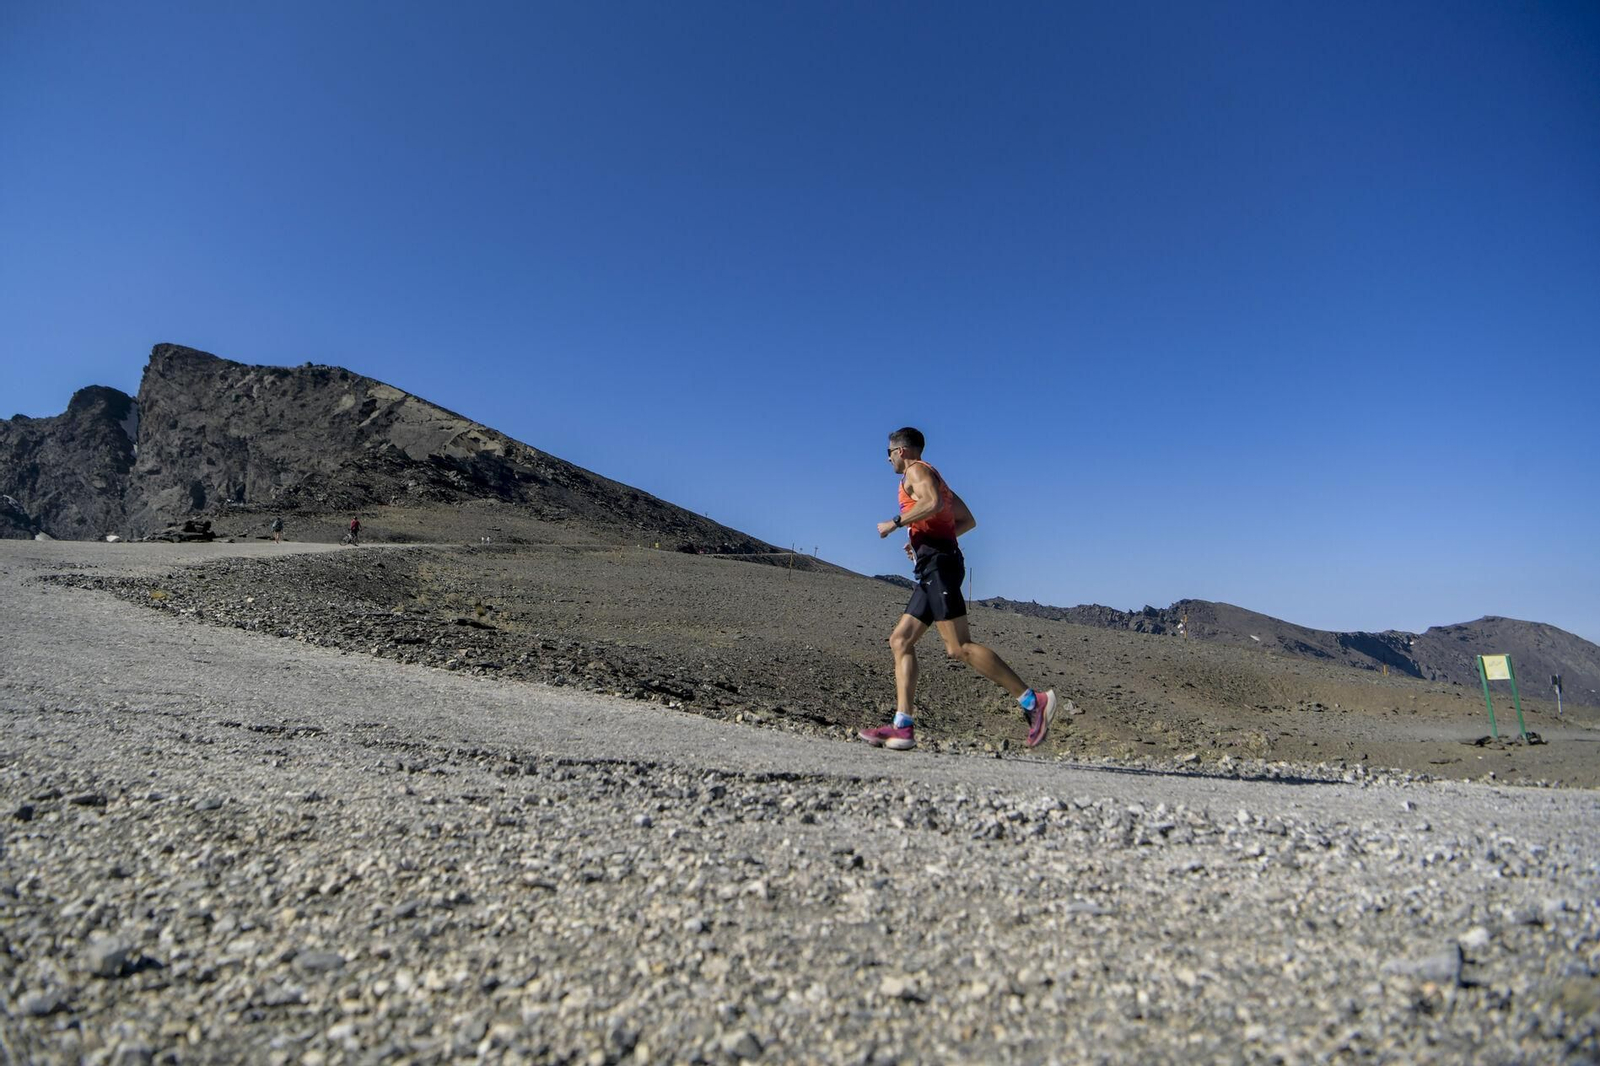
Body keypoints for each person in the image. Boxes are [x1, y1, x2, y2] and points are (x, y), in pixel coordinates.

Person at [859, 427, 1065, 752]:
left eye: (888, 454)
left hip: (939, 568)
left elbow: (932, 502)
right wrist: (923, 538)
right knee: (900, 640)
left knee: (959, 647)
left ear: (901, 451)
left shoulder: (916, 471)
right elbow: (966, 519)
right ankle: (903, 727)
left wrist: (896, 523)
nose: (887, 460)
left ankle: (1033, 701)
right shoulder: (934, 477)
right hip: (934, 566)